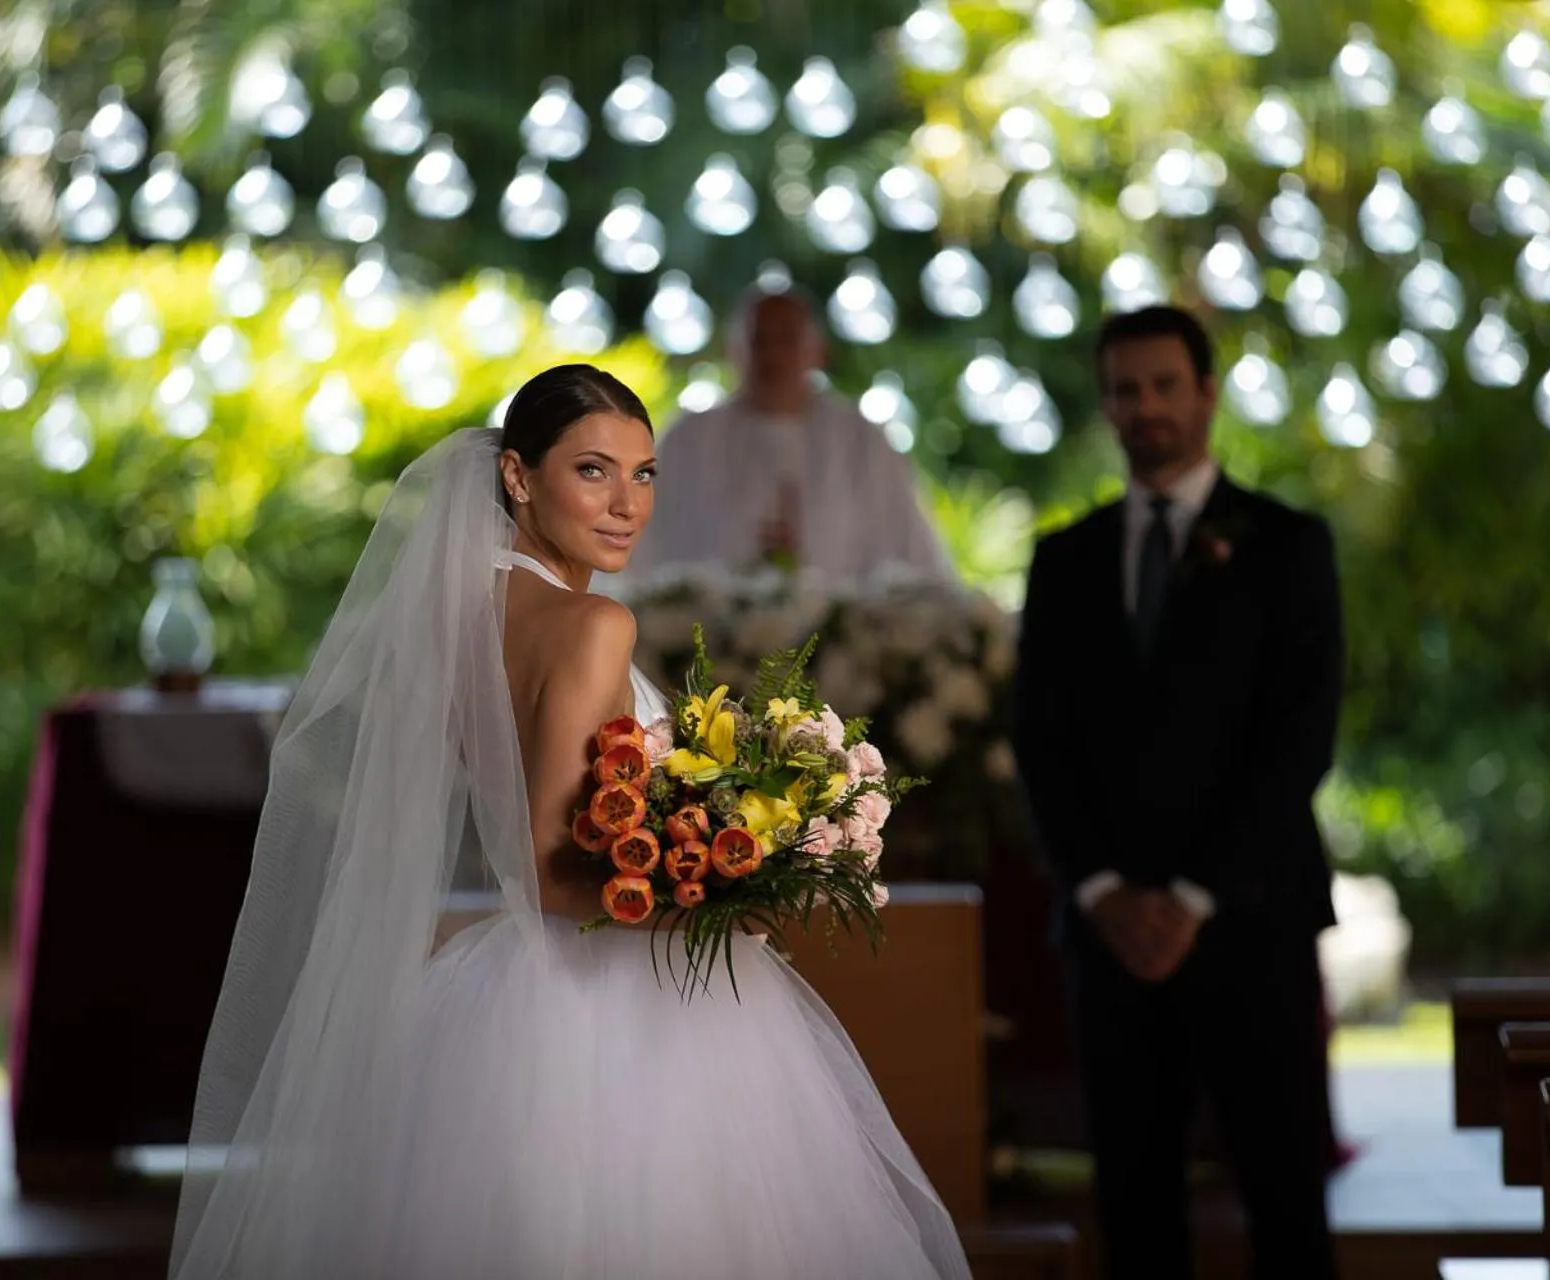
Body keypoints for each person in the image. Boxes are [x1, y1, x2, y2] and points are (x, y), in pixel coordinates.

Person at [169, 364, 972, 1279]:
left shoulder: (465, 613)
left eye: (644, 473)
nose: (627, 503)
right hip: (618, 1009)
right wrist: (732, 900)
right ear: (518, 476)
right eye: (593, 471)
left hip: (501, 997)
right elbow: (555, 873)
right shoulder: (592, 625)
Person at [1012, 306, 1343, 1280]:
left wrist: (1194, 894)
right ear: (1107, 403)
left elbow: (1301, 735)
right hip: (1109, 932)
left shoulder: (1288, 546)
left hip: (1252, 917)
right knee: (1135, 1203)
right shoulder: (1065, 558)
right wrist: (1106, 889)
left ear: (1205, 391)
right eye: (1126, 388)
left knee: (1284, 1196)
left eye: (1164, 384)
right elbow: (1040, 743)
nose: (1145, 406)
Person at [625, 285, 951, 580]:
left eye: (787, 340)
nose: (773, 355)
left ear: (818, 352)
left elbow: (911, 553)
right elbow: (640, 549)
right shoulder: (690, 441)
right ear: (734, 351)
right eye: (761, 340)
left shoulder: (861, 442)